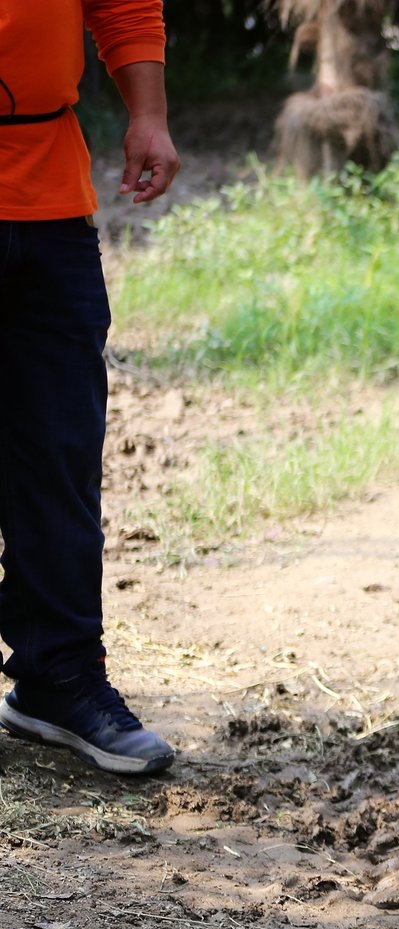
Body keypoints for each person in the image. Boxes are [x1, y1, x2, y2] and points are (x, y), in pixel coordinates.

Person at [0, 1, 181, 774]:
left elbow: (121, 3)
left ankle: (59, 679)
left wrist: (148, 113)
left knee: (59, 454)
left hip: (49, 200)